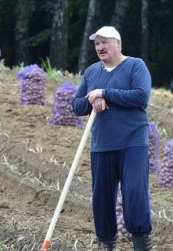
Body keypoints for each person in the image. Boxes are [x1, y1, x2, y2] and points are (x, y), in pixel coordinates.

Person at [71, 26, 152, 250]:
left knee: (134, 193)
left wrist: (105, 93)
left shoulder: (135, 65)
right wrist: (92, 97)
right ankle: (106, 244)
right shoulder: (92, 72)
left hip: (132, 141)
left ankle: (141, 245)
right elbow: (77, 106)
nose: (99, 47)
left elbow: (141, 95)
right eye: (96, 43)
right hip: (102, 144)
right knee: (102, 199)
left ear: (118, 43)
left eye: (104, 42)